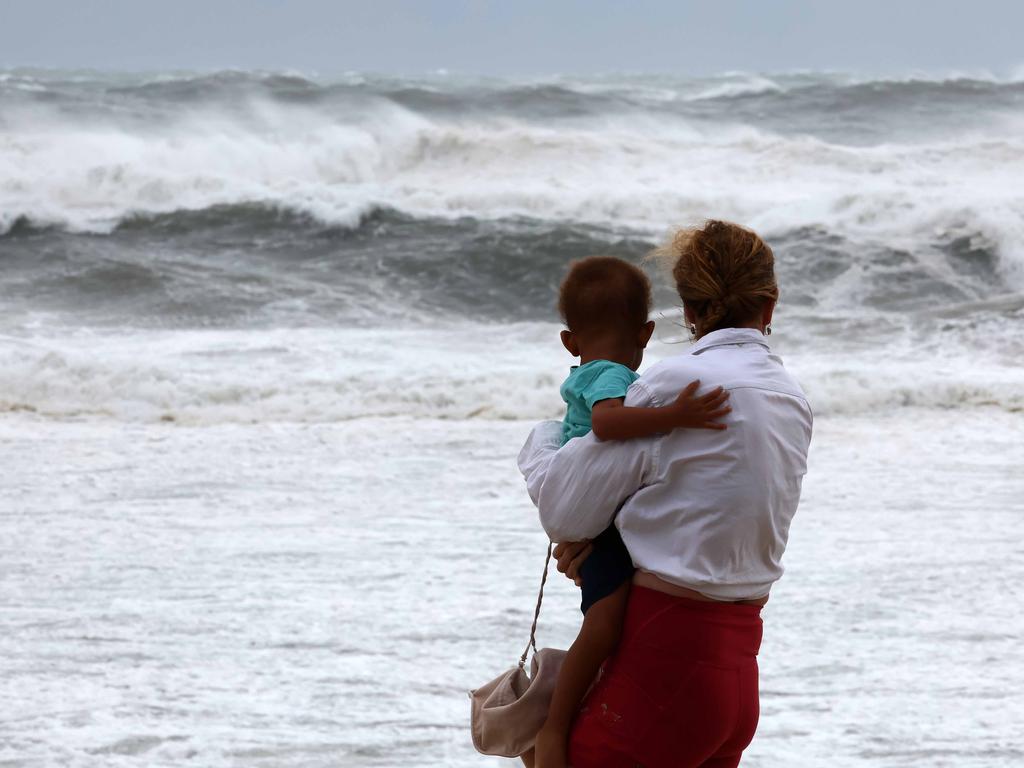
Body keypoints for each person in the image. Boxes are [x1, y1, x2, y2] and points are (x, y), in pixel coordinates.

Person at [519, 220, 813, 768]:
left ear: (691, 312)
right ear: (768, 306)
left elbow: (562, 512)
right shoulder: (791, 397)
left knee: (542, 755)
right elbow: (716, 507)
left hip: (665, 655)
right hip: (738, 669)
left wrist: (540, 441)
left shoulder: (670, 386)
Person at [527, 256, 732, 768]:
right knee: (603, 625)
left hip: (595, 521)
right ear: (646, 331)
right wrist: (676, 415)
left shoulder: (587, 368)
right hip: (599, 528)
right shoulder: (612, 375)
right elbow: (608, 424)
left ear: (568, 341)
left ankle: (567, 718)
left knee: (606, 627)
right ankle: (554, 729)